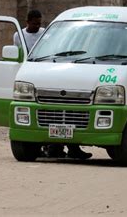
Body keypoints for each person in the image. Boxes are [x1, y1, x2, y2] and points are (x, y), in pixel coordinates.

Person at [14, 10, 92, 160]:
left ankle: (63, 148)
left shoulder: (45, 33)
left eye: (39, 23)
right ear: (28, 22)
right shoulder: (19, 36)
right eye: (35, 23)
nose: (38, 26)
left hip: (46, 71)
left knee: (61, 116)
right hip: (29, 74)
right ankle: (53, 148)